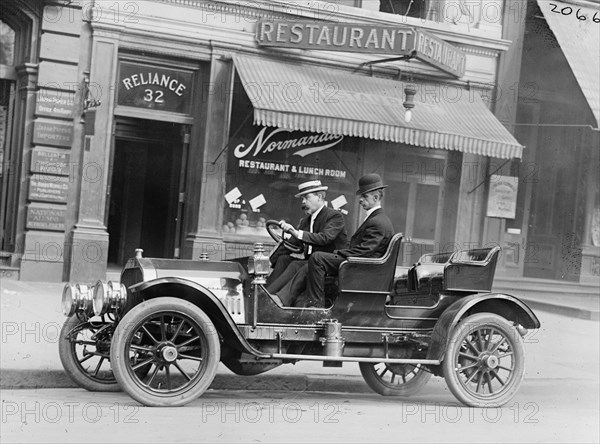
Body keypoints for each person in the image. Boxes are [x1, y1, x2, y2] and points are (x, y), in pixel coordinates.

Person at [296, 173, 394, 308]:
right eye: (361, 196)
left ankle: (316, 305)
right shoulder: (377, 219)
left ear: (376, 197)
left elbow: (364, 251)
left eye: (364, 196)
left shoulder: (377, 222)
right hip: (364, 265)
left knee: (317, 258)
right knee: (318, 258)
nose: (360, 200)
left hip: (364, 267)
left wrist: (339, 253)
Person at [266, 180, 347, 305]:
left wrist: (296, 232)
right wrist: (267, 262)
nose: (303, 202)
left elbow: (324, 238)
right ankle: (264, 293)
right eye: (302, 198)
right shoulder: (306, 221)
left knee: (297, 265)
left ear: (319, 197)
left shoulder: (335, 216)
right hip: (311, 263)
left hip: (328, 266)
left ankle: (281, 300)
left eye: (307, 197)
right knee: (283, 259)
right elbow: (291, 245)